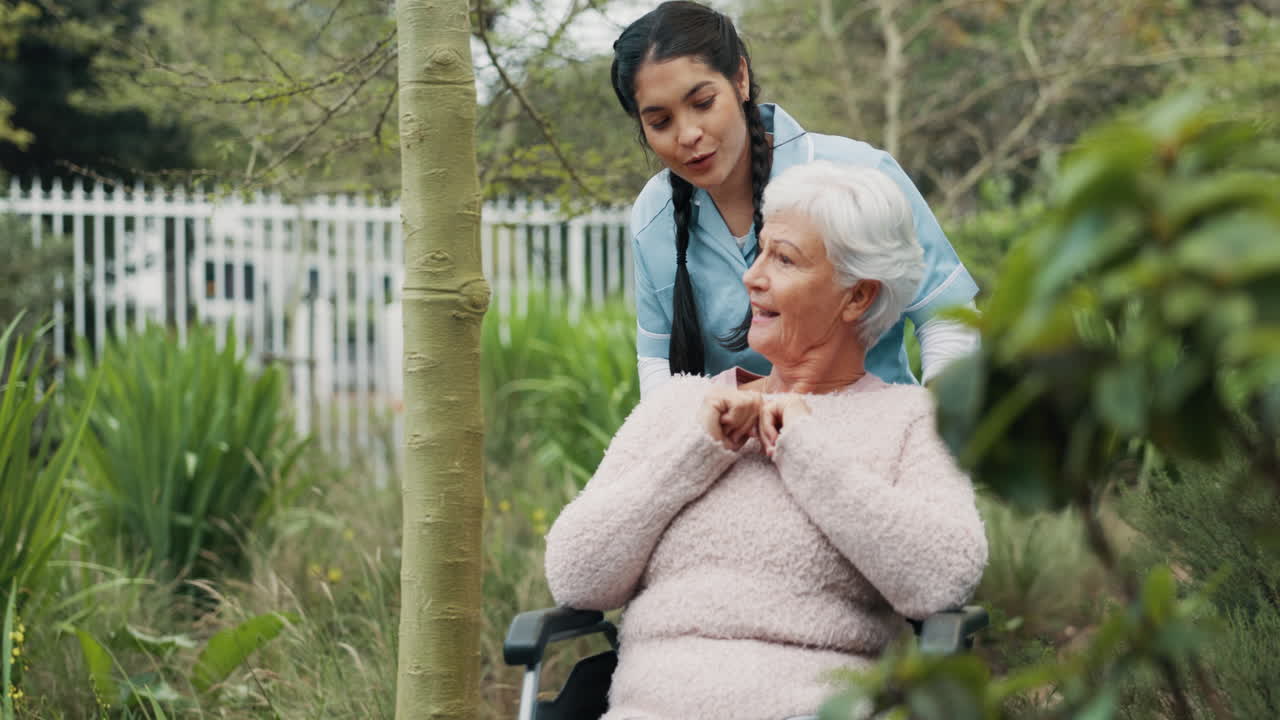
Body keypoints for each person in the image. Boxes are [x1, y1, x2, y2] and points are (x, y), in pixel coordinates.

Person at [544, 161, 988, 720]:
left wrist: (809, 456)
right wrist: (691, 456)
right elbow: (575, 575)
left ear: (856, 297)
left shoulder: (911, 421)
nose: (752, 277)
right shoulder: (680, 408)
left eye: (784, 260)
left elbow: (943, 579)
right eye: (759, 253)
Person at [610, 1, 980, 398]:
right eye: (660, 122)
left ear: (740, 79)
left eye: (703, 103)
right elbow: (658, 366)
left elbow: (947, 320)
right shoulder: (655, 216)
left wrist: (932, 425)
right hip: (740, 434)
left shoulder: (860, 175)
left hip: (878, 428)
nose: (687, 135)